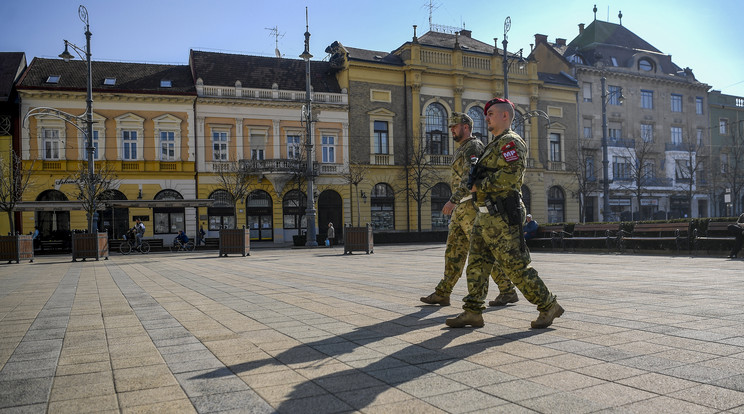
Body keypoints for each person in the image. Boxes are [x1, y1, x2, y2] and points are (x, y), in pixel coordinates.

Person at [446, 97, 564, 329]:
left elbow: (510, 177)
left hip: (501, 215)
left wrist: (480, 185)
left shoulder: (511, 143)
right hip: (484, 214)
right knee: (477, 264)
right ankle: (473, 311)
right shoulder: (493, 144)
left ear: (505, 116)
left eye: (490, 114)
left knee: (515, 266)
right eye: (486, 114)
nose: (486, 117)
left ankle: (548, 304)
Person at [420, 112, 519, 308]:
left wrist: (452, 201)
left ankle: (507, 290)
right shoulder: (462, 148)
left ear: (466, 126)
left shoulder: (473, 147)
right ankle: (443, 292)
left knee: (483, 252)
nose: (451, 130)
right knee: (453, 251)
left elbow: (470, 178)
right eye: (450, 127)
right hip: (461, 209)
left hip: (470, 207)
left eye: (454, 126)